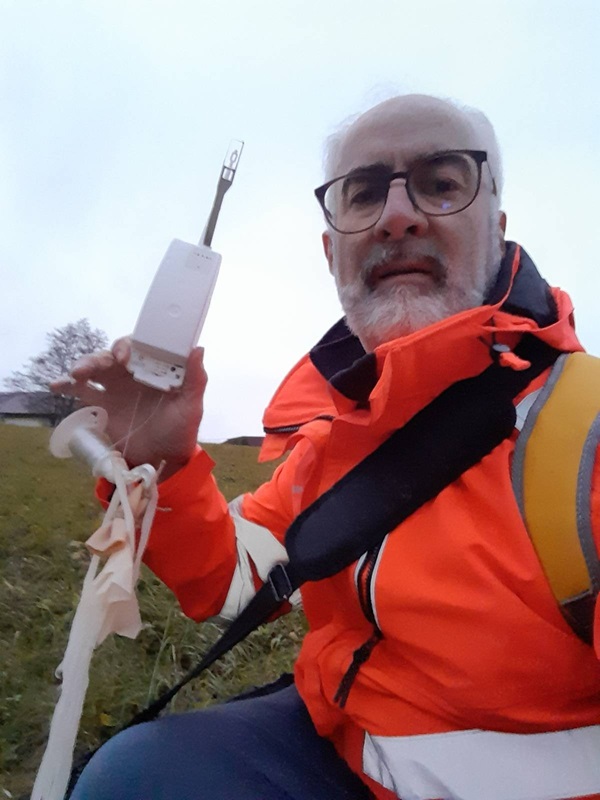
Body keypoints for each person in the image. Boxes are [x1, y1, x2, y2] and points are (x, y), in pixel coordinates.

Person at [53, 94, 600, 800]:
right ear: (330, 250)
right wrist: (163, 462)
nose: (397, 216)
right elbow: (231, 579)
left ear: (496, 228)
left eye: (441, 182)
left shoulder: (584, 435)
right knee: (131, 776)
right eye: (363, 193)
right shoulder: (331, 432)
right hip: (337, 744)